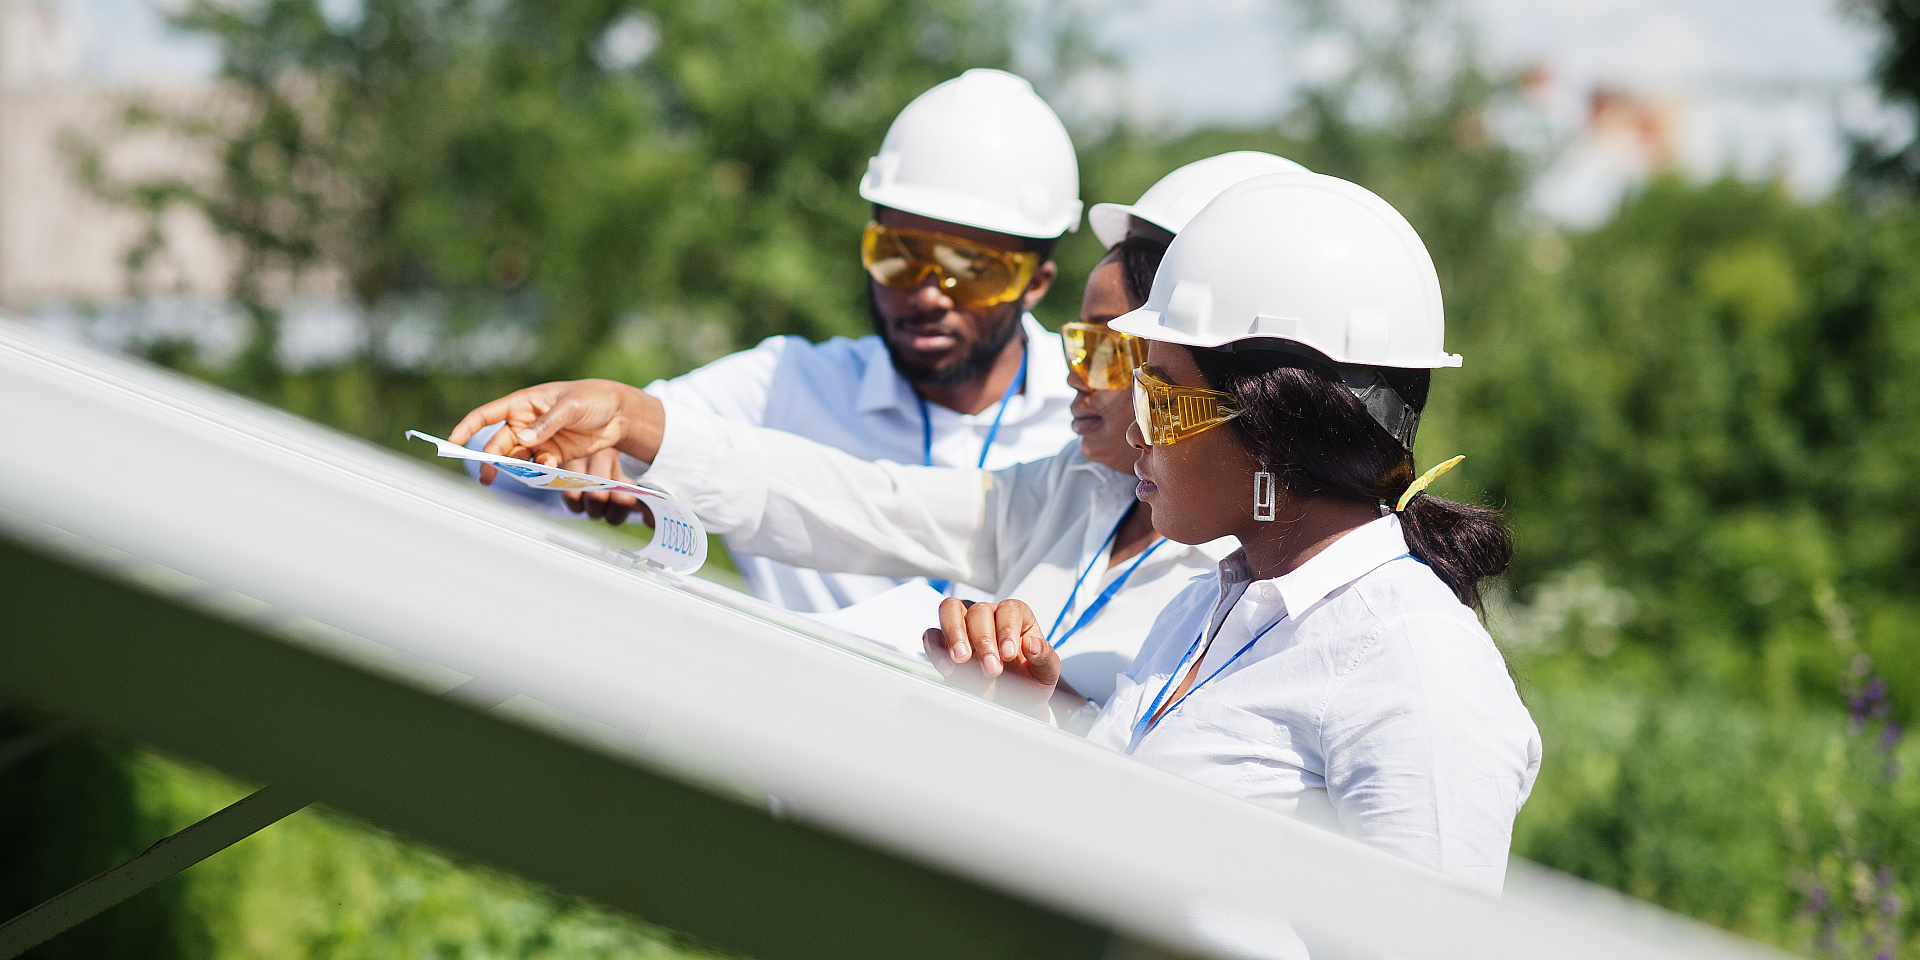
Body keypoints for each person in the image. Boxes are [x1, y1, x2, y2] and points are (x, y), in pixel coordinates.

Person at [449, 153, 1311, 704]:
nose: (1073, 369)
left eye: (1109, 348)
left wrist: (1050, 710)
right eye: (1081, 343)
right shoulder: (1077, 490)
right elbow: (865, 501)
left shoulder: (1293, 586)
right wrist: (640, 420)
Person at [923, 171, 1542, 912]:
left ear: (1272, 424)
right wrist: (1049, 704)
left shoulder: (1415, 668)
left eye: (1160, 398)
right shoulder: (1203, 607)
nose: (1133, 431)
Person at [472, 68, 1085, 613]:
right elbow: (500, 459)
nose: (927, 294)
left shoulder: (1095, 427)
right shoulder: (786, 387)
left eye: (972, 268)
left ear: (1036, 284)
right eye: (899, 256)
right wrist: (553, 459)